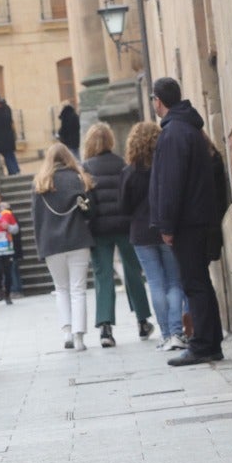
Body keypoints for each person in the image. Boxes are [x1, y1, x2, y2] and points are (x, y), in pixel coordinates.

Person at [149, 77, 226, 366]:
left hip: (188, 223)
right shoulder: (186, 130)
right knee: (199, 283)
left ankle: (203, 345)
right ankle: (210, 342)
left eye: (153, 100)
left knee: (194, 284)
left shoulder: (174, 134)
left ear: (159, 100)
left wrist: (167, 226)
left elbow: (171, 184)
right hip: (197, 218)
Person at [80, 123, 153, 346]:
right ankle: (142, 321)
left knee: (103, 277)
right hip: (124, 226)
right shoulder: (122, 164)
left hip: (99, 229)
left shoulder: (86, 168)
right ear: (111, 140)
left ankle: (105, 329)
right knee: (133, 272)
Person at [121, 120, 187, 350]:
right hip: (167, 229)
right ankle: (178, 332)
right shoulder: (165, 167)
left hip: (141, 233)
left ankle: (167, 334)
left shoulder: (129, 173)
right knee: (174, 282)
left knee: (156, 283)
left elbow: (125, 207)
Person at [31, 143, 97, 350]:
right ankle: (79, 337)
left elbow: (36, 218)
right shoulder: (78, 178)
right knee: (78, 289)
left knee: (61, 289)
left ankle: (67, 333)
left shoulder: (40, 182)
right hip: (78, 238)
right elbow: (89, 211)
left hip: (51, 242)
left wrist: (40, 245)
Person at [0, 93, 20, 175]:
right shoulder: (7, 108)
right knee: (10, 154)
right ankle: (16, 170)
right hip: (9, 136)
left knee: (7, 155)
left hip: (0, 139)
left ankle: (13, 171)